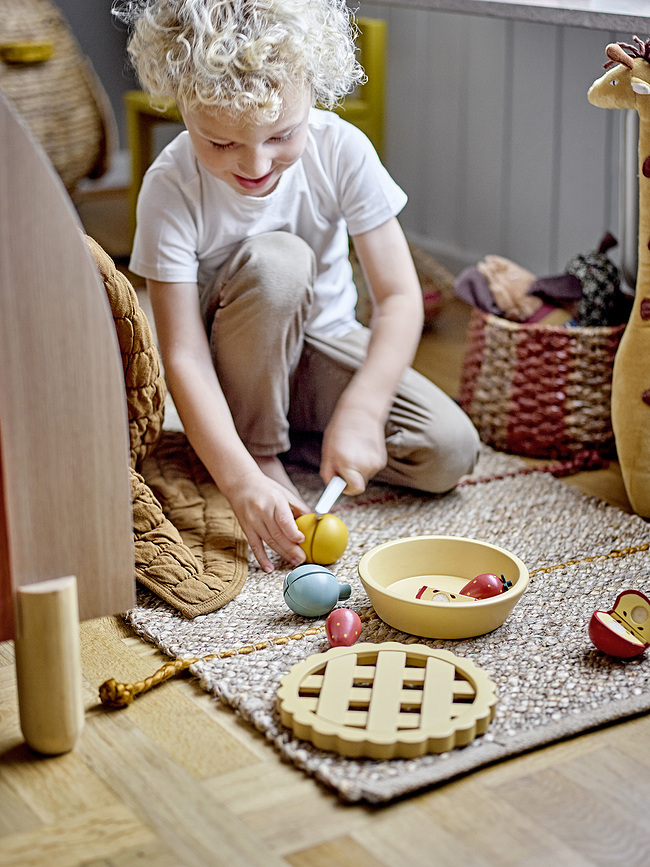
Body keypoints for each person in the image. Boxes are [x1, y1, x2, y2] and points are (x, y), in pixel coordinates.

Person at [119, 0, 480, 573]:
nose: (256, 164)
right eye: (220, 143)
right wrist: (240, 479)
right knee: (280, 262)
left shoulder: (342, 149)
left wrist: (364, 409)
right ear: (181, 101)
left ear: (313, 87)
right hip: (234, 365)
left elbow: (399, 298)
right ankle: (256, 448)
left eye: (281, 134)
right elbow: (183, 354)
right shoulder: (170, 188)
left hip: (323, 344)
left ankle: (288, 435)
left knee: (447, 452)